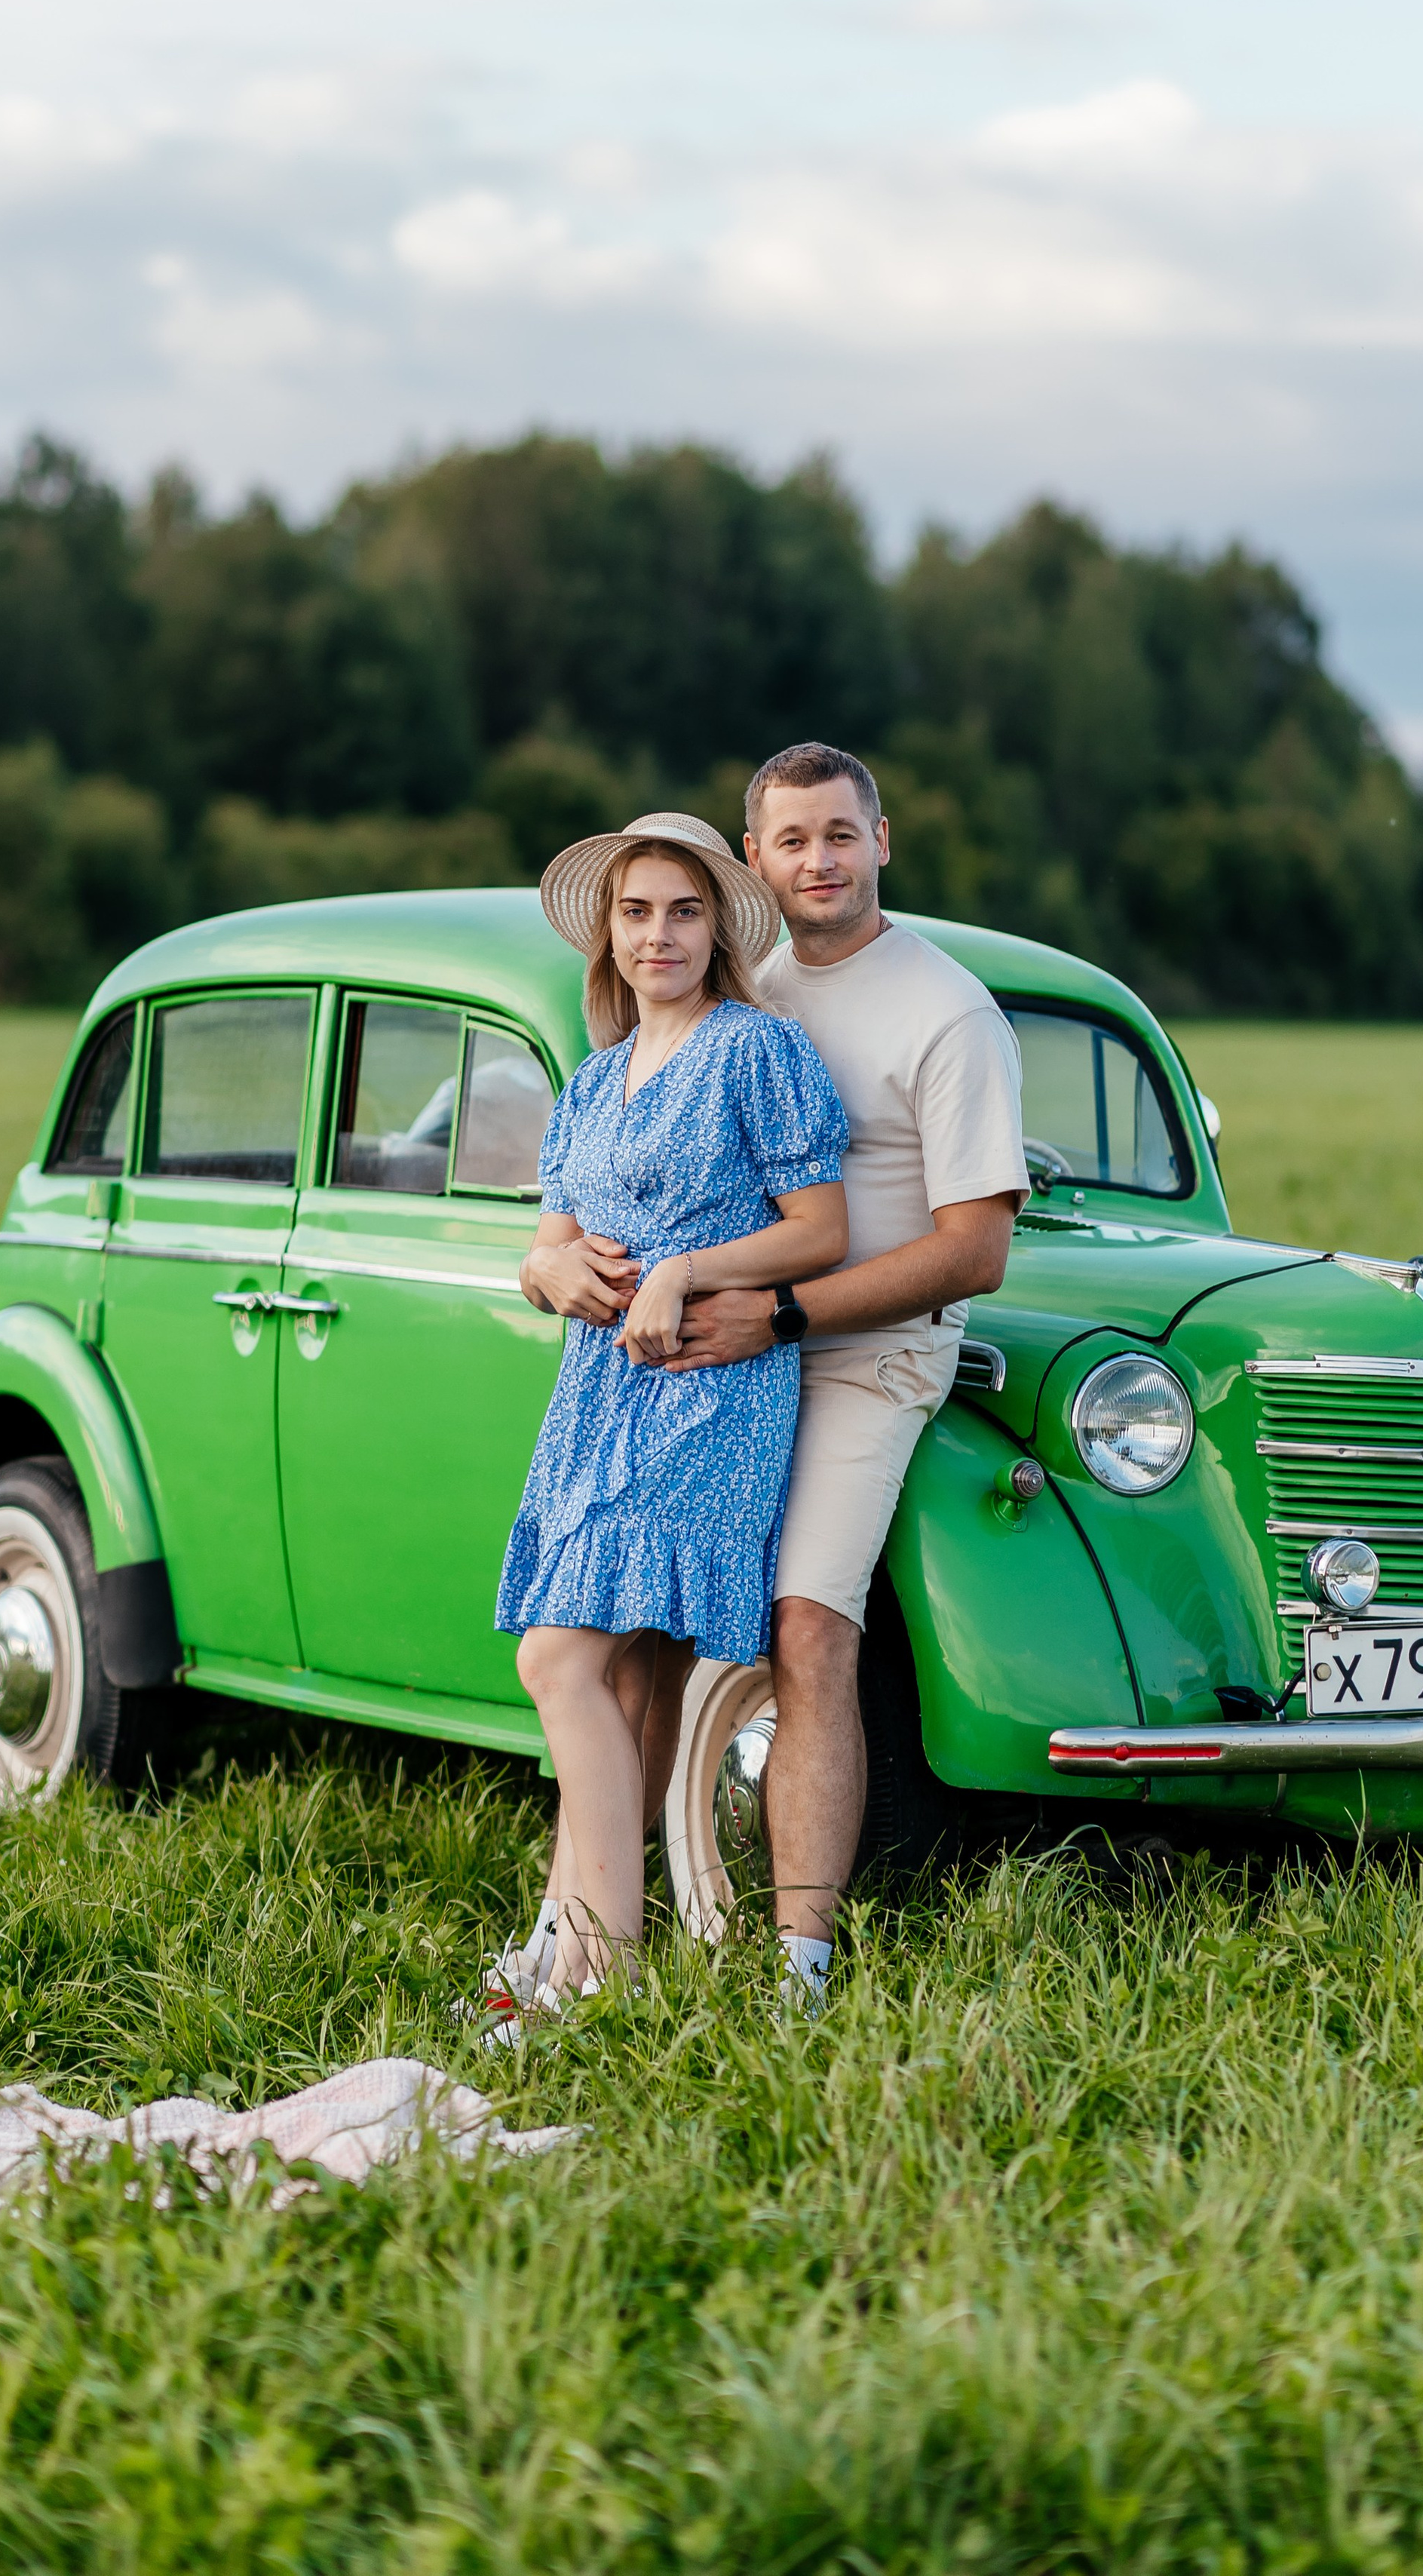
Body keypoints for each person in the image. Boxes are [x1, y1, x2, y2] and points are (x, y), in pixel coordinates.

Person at [497, 746, 1027, 2016]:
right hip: (695, 1355)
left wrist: (767, 1307)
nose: (819, 862)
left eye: (840, 836)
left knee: (806, 1625)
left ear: (881, 840)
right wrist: (550, 1266)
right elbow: (578, 1206)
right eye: (791, 842)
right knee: (632, 1646)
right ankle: (584, 1934)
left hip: (868, 1345)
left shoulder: (945, 1009)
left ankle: (797, 1958)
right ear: (761, 863)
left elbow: (974, 1249)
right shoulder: (752, 987)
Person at [491, 812, 848, 2009]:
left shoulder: (759, 1050)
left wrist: (691, 1269)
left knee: (559, 1655)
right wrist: (545, 1272)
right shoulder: (591, 1079)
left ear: (717, 929)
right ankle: (565, 1954)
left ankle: (612, 1958)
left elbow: (822, 1230)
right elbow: (548, 1239)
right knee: (617, 1675)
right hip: (596, 1395)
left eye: (684, 911)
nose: (660, 934)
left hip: (711, 1388)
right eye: (638, 912)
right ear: (609, 929)